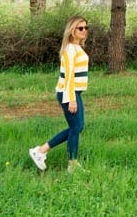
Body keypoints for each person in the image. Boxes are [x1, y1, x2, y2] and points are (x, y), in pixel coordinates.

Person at [29, 16, 90, 172]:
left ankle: (40, 151)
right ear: (72, 30)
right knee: (76, 128)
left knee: (77, 127)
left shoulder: (76, 47)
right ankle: (72, 164)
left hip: (75, 92)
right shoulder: (70, 49)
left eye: (86, 27)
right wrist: (72, 99)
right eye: (80, 28)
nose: (84, 30)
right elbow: (69, 76)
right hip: (68, 93)